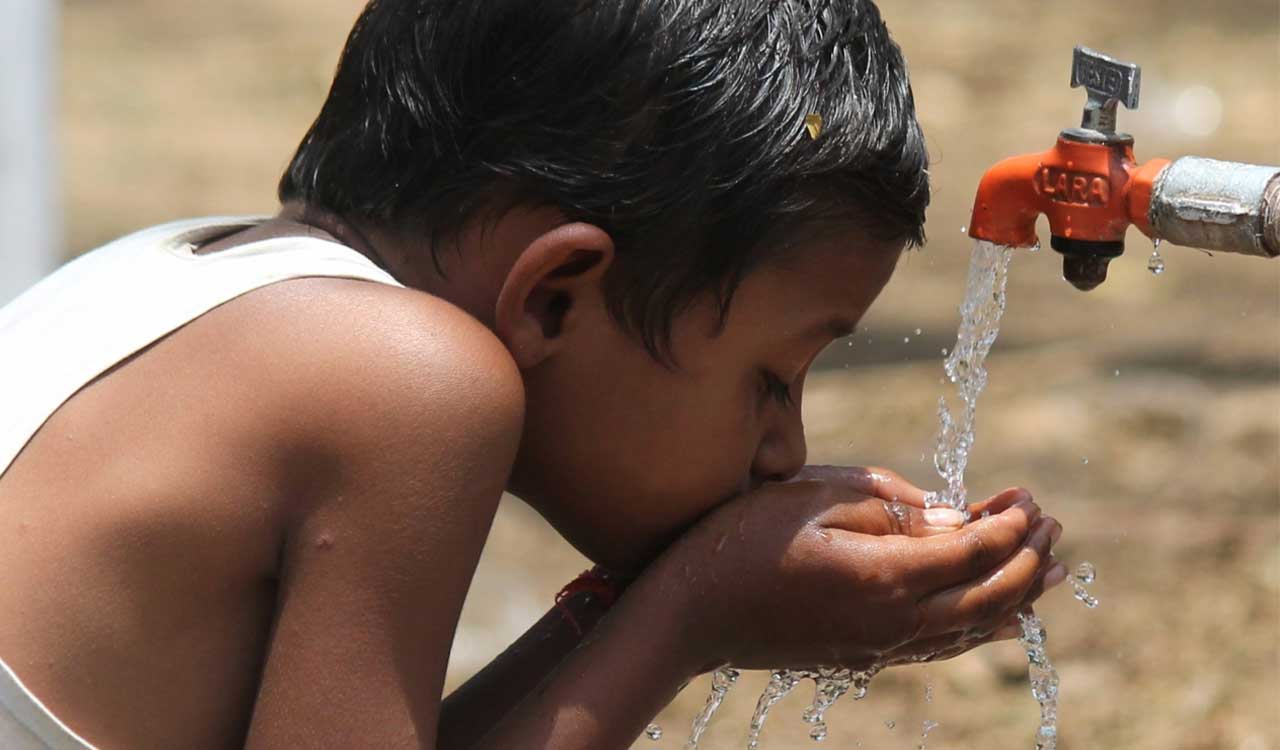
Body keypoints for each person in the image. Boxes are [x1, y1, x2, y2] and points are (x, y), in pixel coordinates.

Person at [0, 1, 1067, 748]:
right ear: (556, 292)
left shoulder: (162, 283)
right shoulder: (410, 382)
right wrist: (688, 617)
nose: (782, 448)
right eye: (770, 378)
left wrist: (632, 608)